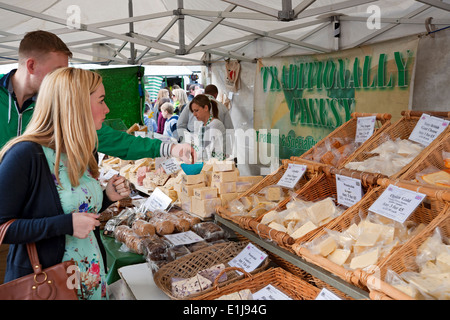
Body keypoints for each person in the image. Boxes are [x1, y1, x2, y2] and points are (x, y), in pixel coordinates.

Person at [0, 67, 131, 300]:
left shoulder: (83, 150)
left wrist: (107, 196)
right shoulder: (25, 154)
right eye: (101, 100)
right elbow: (2, 227)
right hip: (49, 287)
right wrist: (64, 225)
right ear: (76, 104)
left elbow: (77, 212)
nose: (107, 108)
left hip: (89, 280)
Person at [0, 30, 195, 162]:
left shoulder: (59, 106)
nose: (64, 79)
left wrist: (169, 149)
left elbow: (111, 139)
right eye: (58, 71)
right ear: (31, 65)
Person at [189, 94, 226, 161]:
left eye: (196, 110)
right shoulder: (201, 125)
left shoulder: (215, 124)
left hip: (216, 165)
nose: (194, 114)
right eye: (193, 111)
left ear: (206, 108)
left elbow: (207, 150)